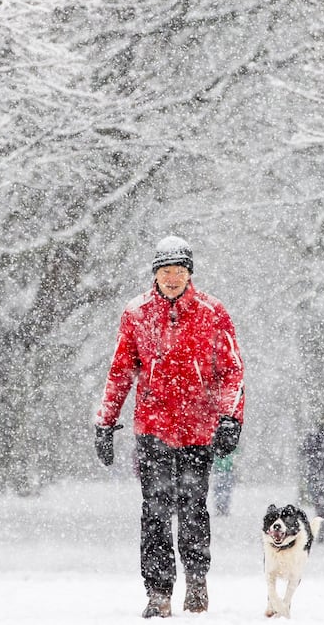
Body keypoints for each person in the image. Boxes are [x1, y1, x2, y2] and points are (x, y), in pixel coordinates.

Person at [93, 236, 245, 618]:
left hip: (198, 430)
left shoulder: (213, 312)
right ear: (155, 274)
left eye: (179, 271)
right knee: (156, 510)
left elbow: (232, 372)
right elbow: (120, 371)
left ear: (189, 274)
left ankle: (196, 579)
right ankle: (159, 591)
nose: (172, 278)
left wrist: (230, 418)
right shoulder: (136, 314)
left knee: (193, 508)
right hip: (153, 429)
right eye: (166, 271)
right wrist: (105, 422)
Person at [300, 422, 324, 542]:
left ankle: (319, 528)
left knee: (319, 502)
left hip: (318, 475)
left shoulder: (314, 438)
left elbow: (304, 452)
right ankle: (321, 528)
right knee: (322, 504)